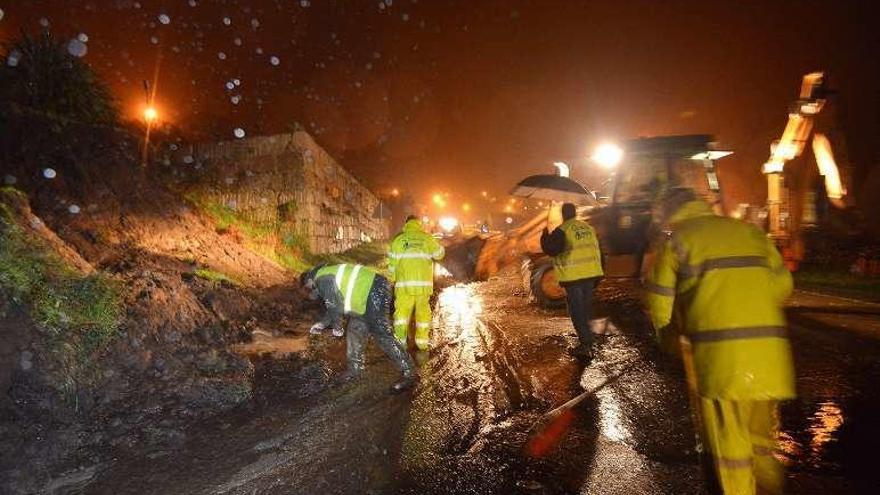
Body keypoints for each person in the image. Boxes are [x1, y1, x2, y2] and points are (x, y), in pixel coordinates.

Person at [644, 188, 795, 495]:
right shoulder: (750, 232)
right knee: (761, 442)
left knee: (731, 450)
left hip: (720, 365)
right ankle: (769, 488)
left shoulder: (677, 241)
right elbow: (783, 287)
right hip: (769, 360)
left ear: (668, 215)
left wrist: (669, 337)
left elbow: (660, 304)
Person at [300, 263, 419, 394]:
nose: (312, 290)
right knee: (354, 331)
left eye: (309, 288)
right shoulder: (325, 275)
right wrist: (322, 324)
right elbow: (332, 305)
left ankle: (410, 372)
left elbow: (334, 305)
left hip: (374, 290)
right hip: (365, 298)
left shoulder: (322, 278)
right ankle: (354, 370)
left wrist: (337, 328)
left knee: (381, 333)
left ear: (309, 280)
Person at [540, 202, 604, 360]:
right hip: (590, 275)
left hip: (574, 277)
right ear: (575, 213)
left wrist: (544, 235)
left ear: (563, 214)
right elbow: (598, 251)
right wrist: (599, 274)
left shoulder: (563, 230)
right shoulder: (587, 228)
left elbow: (551, 249)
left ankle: (585, 345)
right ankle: (588, 339)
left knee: (577, 311)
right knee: (585, 309)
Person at [388, 215, 445, 351]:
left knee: (401, 314)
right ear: (419, 224)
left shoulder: (399, 240)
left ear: (406, 224)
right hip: (423, 287)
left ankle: (401, 343)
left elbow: (392, 265)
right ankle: (422, 343)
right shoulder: (427, 238)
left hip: (404, 286)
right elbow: (439, 255)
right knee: (423, 314)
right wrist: (438, 244)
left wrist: (392, 279)